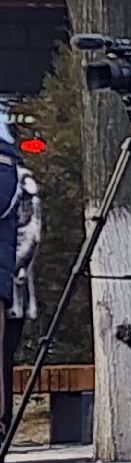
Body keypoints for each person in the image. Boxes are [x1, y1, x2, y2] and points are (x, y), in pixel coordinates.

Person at [0, 134, 33, 435]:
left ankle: (4, 428)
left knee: (3, 359)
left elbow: (29, 235)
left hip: (13, 289)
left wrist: (12, 271)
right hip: (7, 282)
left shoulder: (21, 180)